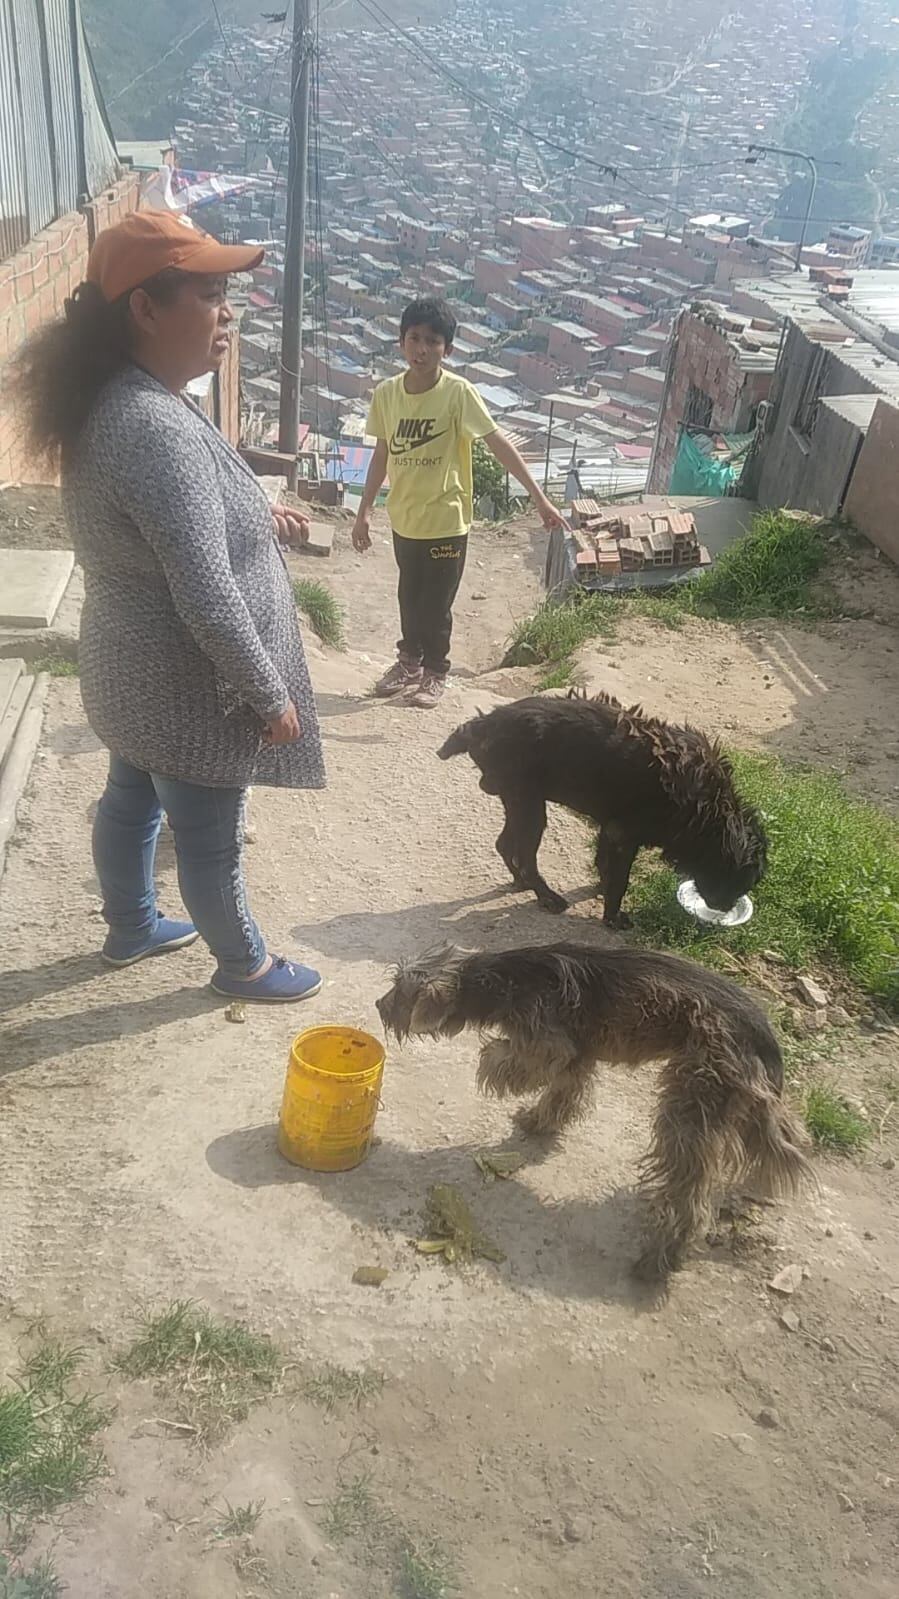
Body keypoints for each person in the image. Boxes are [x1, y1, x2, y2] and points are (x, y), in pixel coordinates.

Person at [12, 210, 325, 1003]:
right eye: (209, 294)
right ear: (145, 309)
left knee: (130, 801)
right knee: (210, 842)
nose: (227, 313)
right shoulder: (151, 425)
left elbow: (172, 524)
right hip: (185, 689)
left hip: (127, 673)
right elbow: (206, 592)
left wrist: (259, 514)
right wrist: (268, 694)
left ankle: (130, 925)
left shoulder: (124, 396)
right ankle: (245, 964)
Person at [351, 296, 565, 708]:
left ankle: (435, 672)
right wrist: (364, 511)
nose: (422, 349)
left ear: (447, 349)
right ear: (400, 342)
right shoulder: (387, 395)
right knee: (408, 596)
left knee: (437, 603)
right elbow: (382, 454)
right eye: (414, 338)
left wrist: (539, 497)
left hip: (447, 522)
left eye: (433, 341)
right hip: (405, 519)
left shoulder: (457, 394)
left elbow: (498, 443)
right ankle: (408, 662)